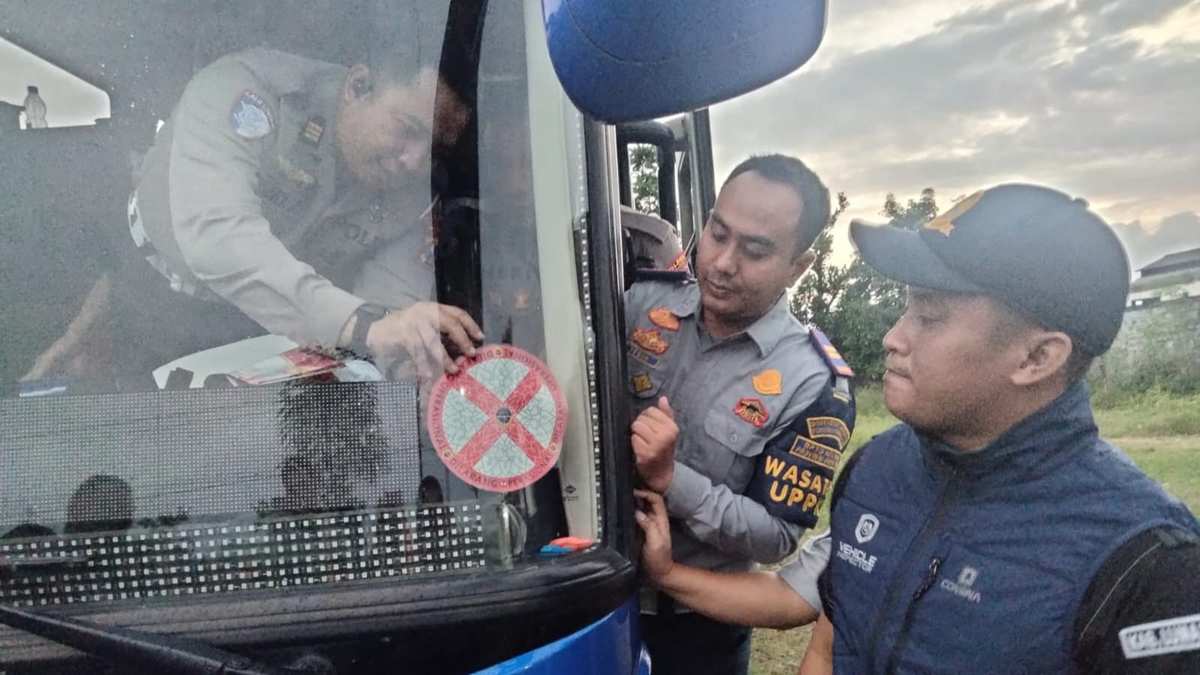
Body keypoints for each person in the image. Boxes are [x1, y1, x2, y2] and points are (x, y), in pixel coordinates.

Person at [781, 184, 1200, 673]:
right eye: (906, 308)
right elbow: (832, 648)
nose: (893, 337)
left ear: (1037, 358)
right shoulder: (874, 469)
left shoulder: (1146, 565)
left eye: (930, 316)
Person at [105, 42, 479, 383]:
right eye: (408, 129)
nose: (415, 161)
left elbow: (388, 306)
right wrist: (365, 326)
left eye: (433, 149)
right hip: (148, 298)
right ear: (359, 86)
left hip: (286, 332)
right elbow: (215, 238)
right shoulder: (247, 89)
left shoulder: (417, 190)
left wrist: (410, 367)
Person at [626, 154, 855, 675]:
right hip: (595, 594)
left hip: (698, 625)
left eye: (754, 250)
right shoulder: (640, 303)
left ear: (799, 266)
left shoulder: (813, 382)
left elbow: (776, 535)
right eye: (717, 232)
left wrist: (670, 480)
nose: (722, 262)